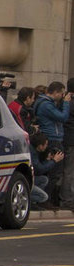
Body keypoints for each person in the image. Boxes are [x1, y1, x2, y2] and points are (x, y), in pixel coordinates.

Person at [34, 81, 70, 204]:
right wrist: (66, 103)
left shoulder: (48, 103)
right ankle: (46, 200)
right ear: (55, 92)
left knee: (53, 172)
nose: (62, 96)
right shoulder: (46, 105)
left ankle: (46, 199)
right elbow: (63, 117)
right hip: (52, 139)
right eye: (61, 93)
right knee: (55, 172)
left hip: (53, 138)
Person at [30, 132, 63, 209]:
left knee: (43, 179)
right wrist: (54, 161)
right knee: (44, 197)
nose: (46, 147)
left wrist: (47, 160)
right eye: (46, 144)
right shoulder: (32, 152)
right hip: (27, 181)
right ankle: (30, 202)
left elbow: (39, 168)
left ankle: (34, 202)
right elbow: (39, 170)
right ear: (40, 145)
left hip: (31, 179)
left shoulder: (35, 150)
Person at [60, 77, 74, 211]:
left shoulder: (67, 103)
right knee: (69, 172)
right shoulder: (70, 103)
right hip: (71, 141)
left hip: (68, 140)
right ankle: (68, 200)